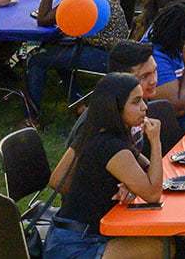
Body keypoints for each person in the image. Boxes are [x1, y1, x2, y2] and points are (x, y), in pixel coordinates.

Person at [43, 73, 163, 259]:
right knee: (161, 247)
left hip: (60, 236)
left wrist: (103, 191)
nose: (144, 107)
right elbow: (153, 193)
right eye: (136, 102)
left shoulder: (92, 132)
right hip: (76, 246)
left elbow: (57, 180)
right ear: (115, 107)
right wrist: (155, 142)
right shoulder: (112, 147)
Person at [26, 0, 129, 123]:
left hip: (103, 56)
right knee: (56, 50)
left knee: (36, 58)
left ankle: (32, 117)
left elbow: (43, 19)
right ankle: (76, 103)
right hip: (118, 51)